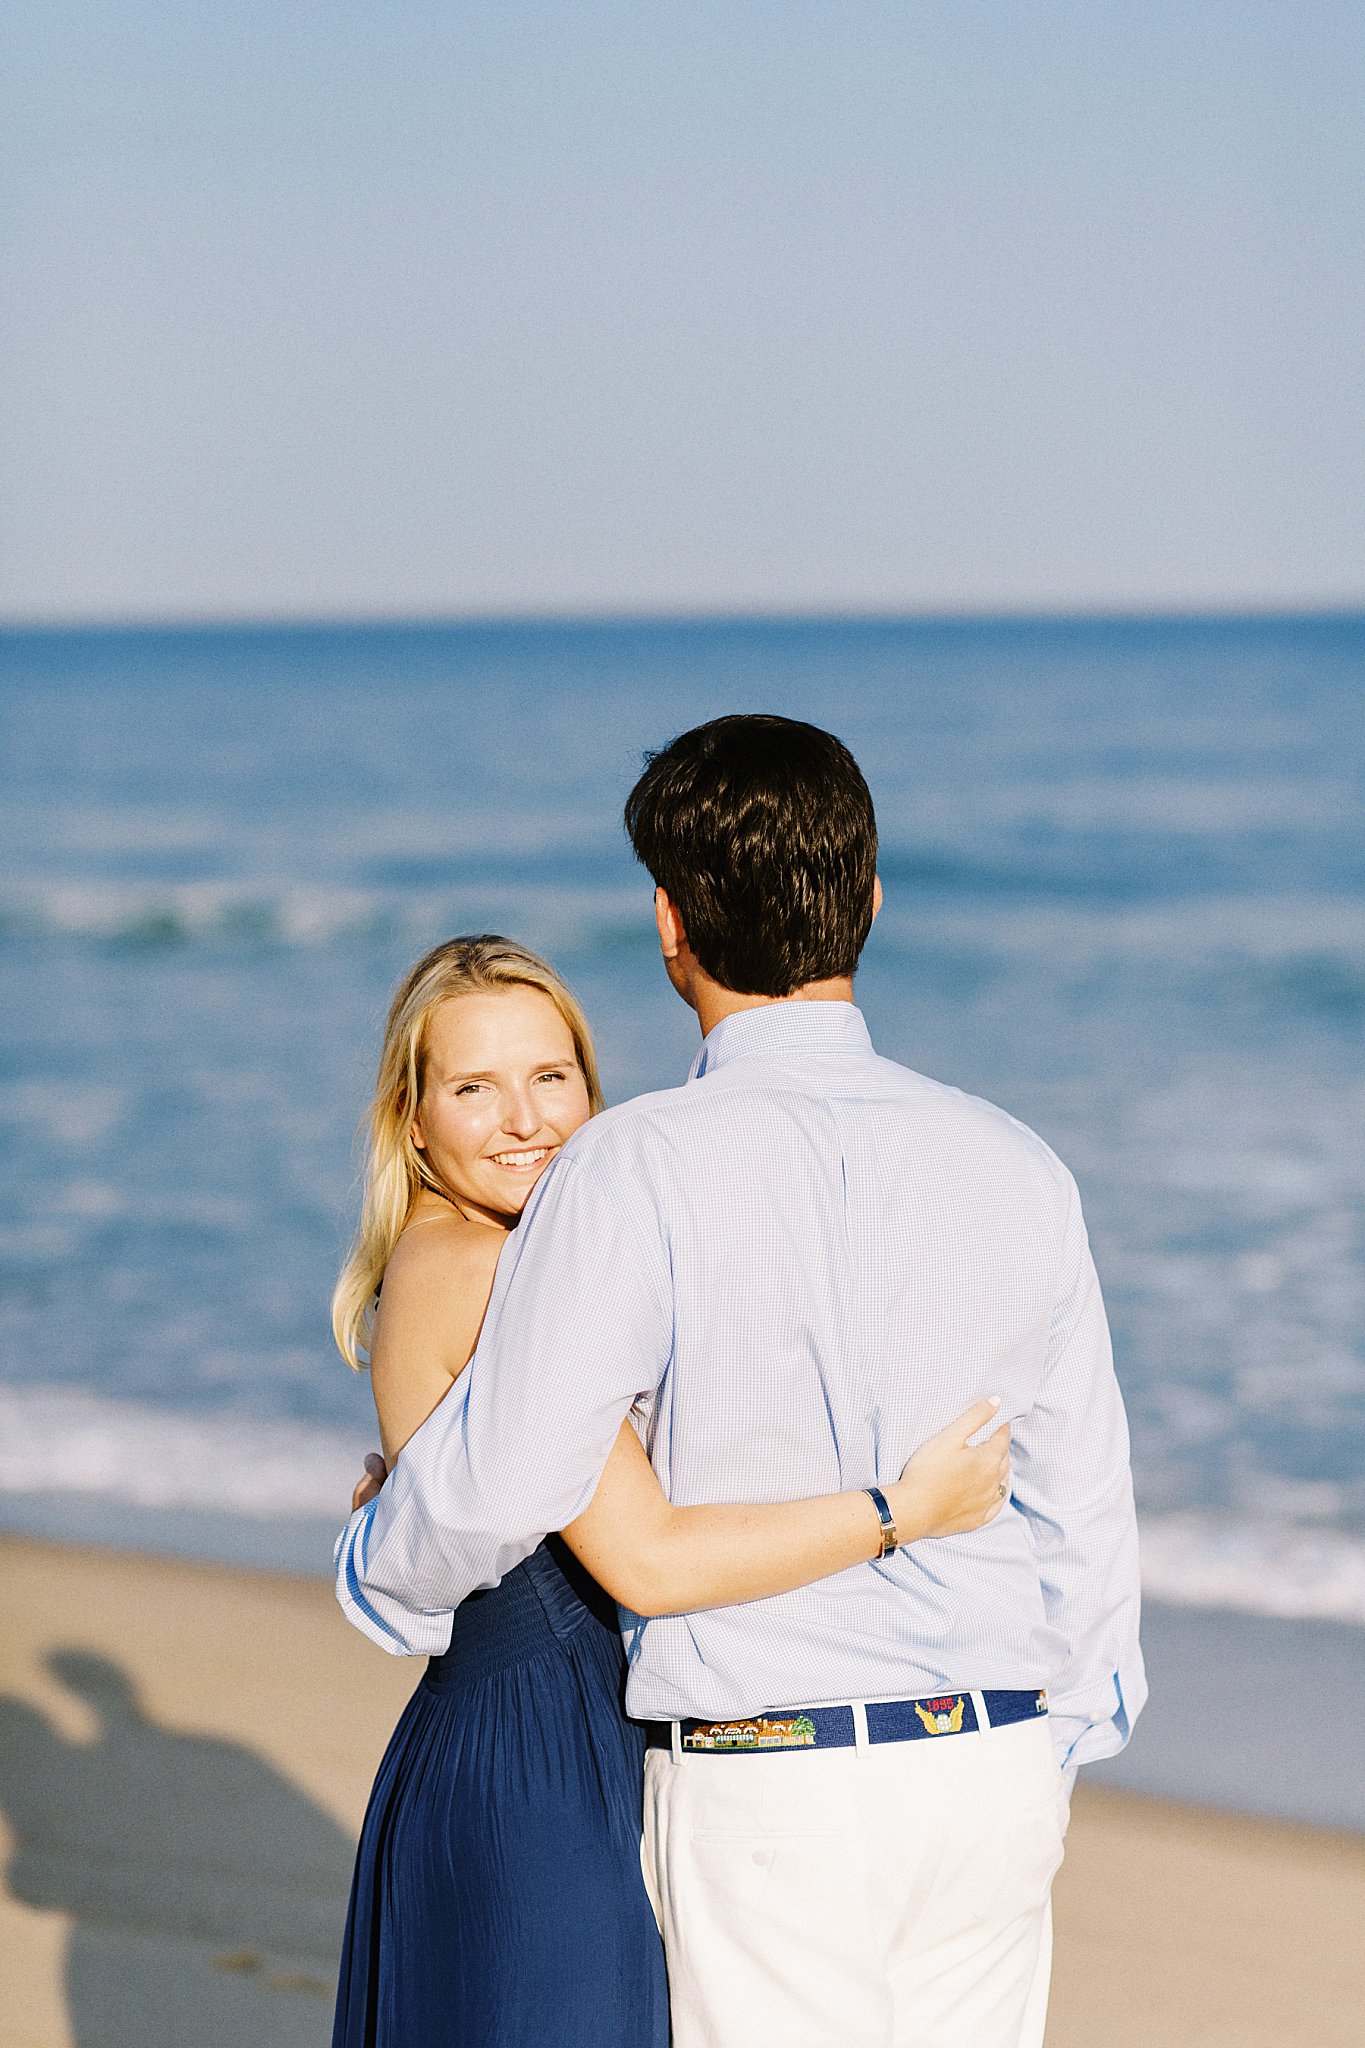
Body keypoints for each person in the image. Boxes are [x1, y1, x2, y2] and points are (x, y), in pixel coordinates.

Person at [336, 716, 1146, 2048]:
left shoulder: (632, 1168)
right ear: (870, 900)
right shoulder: (1018, 1163)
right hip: (992, 1768)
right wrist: (1057, 1743)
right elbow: (1085, 1494)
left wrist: (378, 1557)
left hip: (773, 1783)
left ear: (669, 921)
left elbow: (501, 1486)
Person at [330, 932, 1012, 2048]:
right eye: (473, 1087)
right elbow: (651, 1555)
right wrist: (904, 1510)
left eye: (552, 1077)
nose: (525, 1119)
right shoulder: (492, 1267)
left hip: (508, 1738)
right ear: (413, 1119)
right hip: (538, 1769)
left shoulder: (437, 1247)